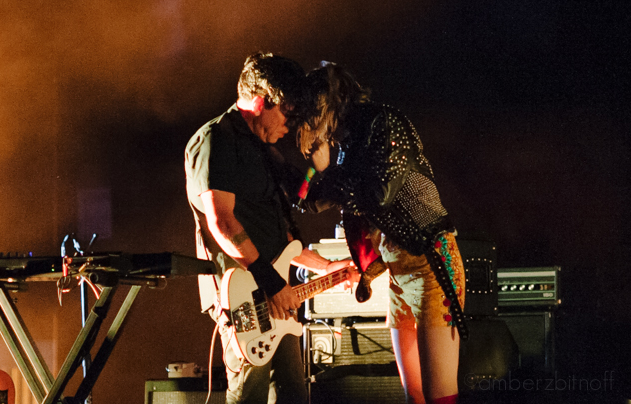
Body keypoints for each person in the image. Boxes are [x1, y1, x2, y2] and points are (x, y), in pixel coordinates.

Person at [185, 52, 353, 404]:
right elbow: (221, 221)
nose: (290, 125)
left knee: (294, 395)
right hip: (243, 297)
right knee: (250, 395)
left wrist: (326, 267)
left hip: (274, 293)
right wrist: (273, 284)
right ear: (262, 100)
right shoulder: (217, 139)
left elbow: (297, 212)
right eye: (287, 113)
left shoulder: (263, 149)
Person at [296, 62, 466, 404]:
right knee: (413, 395)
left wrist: (329, 172)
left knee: (439, 396)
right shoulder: (346, 144)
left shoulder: (383, 122)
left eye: (310, 114)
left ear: (326, 105)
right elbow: (306, 201)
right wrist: (315, 169)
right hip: (398, 275)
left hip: (431, 265)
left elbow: (379, 195)